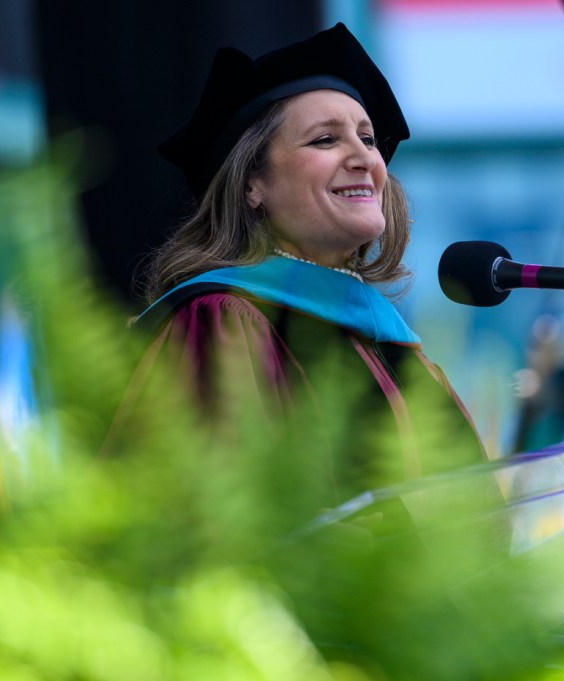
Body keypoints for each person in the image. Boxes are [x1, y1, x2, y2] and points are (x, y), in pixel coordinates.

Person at [109, 23, 486, 501]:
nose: (364, 158)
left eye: (368, 139)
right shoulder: (224, 322)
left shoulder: (395, 347)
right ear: (251, 183)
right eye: (325, 140)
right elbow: (225, 519)